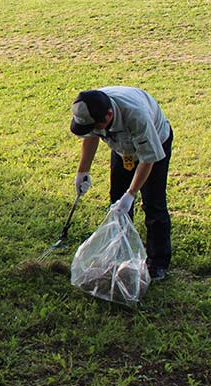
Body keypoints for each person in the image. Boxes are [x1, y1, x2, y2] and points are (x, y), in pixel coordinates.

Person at [70, 87, 173, 281]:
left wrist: (131, 193)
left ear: (109, 116)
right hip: (123, 148)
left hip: (154, 143)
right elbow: (91, 136)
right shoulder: (92, 106)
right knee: (116, 203)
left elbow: (147, 159)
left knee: (153, 203)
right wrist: (82, 172)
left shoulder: (137, 116)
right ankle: (121, 254)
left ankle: (158, 263)